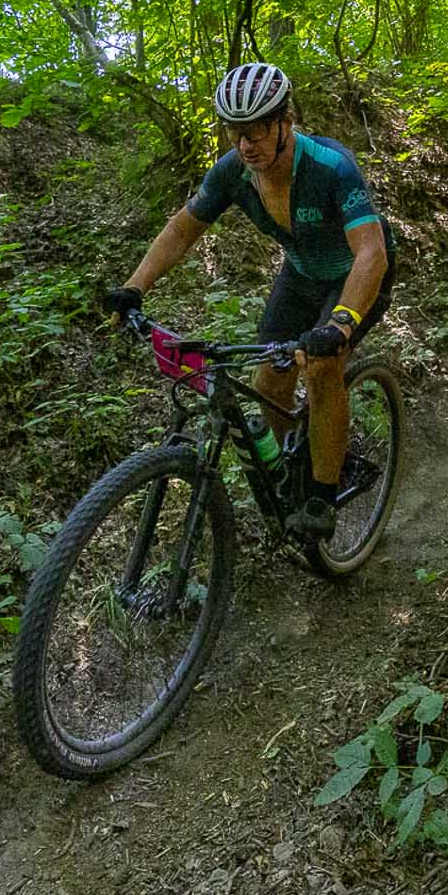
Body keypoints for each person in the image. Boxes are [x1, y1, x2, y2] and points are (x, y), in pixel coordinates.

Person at [102, 61, 394, 539]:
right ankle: (291, 472)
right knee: (270, 378)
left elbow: (370, 253)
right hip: (302, 274)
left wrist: (340, 324)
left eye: (256, 130)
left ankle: (321, 495)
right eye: (234, 131)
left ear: (285, 121)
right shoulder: (233, 172)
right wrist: (134, 287)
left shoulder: (330, 167)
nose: (245, 144)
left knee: (323, 367)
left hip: (358, 273)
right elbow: (182, 230)